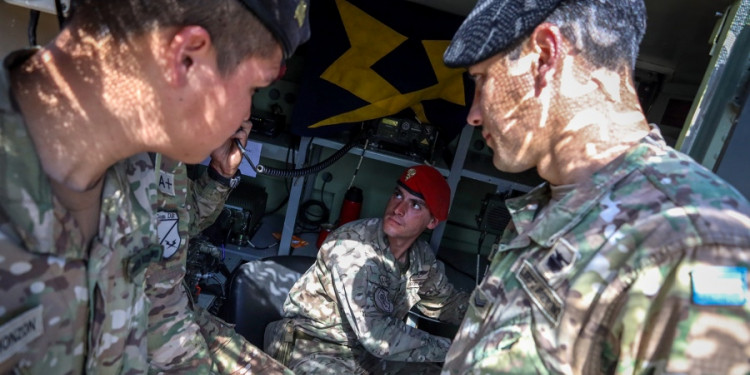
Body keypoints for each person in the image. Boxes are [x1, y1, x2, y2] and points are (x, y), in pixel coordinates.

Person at [440, 0, 750, 373]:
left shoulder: (690, 240)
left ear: (544, 56)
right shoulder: (544, 209)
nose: (473, 114)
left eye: (482, 79)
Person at [0, 0, 309, 373]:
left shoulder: (137, 170)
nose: (245, 115)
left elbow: (156, 318)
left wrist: (219, 176)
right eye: (253, 88)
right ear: (185, 60)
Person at [266, 164, 470, 374]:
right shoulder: (354, 246)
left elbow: (445, 303)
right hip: (313, 346)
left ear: (433, 221)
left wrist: (494, 315)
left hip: (367, 356)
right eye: (398, 195)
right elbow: (378, 336)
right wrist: (459, 350)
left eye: (415, 205)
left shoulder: (421, 257)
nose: (398, 209)